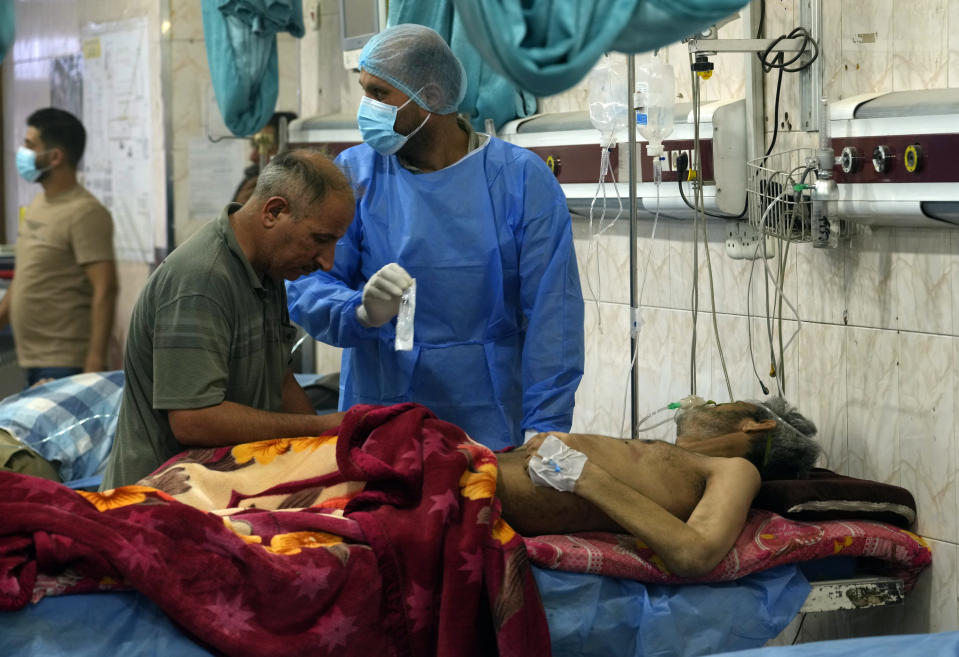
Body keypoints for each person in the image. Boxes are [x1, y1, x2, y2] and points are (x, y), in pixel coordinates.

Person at [287, 24, 585, 451]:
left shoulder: (519, 180)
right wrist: (360, 311)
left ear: (429, 96)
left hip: (490, 420)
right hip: (380, 418)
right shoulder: (354, 176)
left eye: (379, 94)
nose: (365, 108)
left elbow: (553, 314)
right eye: (364, 91)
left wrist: (546, 428)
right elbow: (304, 281)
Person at [101, 149, 354, 489]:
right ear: (274, 212)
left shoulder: (266, 270)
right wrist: (318, 428)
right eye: (320, 239)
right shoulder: (201, 281)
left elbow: (279, 379)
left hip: (218, 491)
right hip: (157, 502)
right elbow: (195, 420)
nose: (327, 261)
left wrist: (323, 452)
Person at [496, 397, 821, 577]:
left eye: (721, 403)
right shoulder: (674, 455)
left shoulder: (736, 470)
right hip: (473, 464)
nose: (706, 405)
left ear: (758, 424)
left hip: (475, 495)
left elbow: (695, 554)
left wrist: (582, 475)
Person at [0, 108, 118, 387]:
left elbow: (106, 288)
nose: (22, 152)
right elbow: (26, 275)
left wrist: (94, 362)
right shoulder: (40, 204)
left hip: (65, 362)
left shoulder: (85, 212)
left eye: (30, 145)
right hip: (30, 356)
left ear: (55, 157)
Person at [232, 111, 299, 205]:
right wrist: (238, 211)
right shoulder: (251, 182)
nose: (253, 157)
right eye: (255, 145)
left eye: (266, 146)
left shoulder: (304, 189)